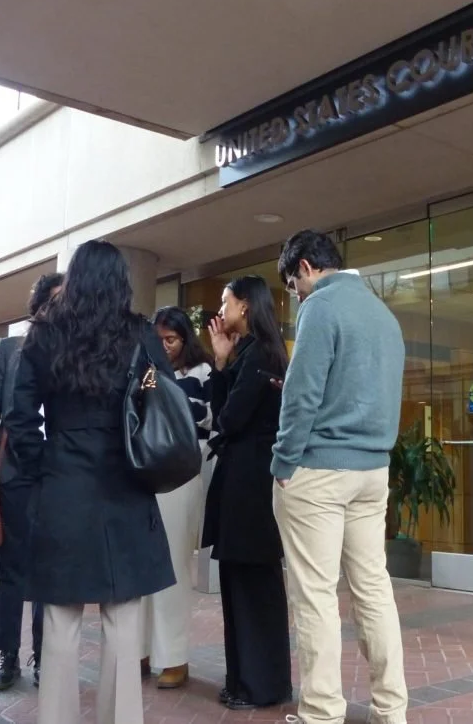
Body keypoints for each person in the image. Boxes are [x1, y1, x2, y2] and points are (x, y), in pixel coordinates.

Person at [5, 240, 175, 724]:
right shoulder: (138, 334)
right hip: (125, 478)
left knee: (60, 617)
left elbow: (19, 417)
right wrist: (139, 383)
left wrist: (41, 465)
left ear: (74, 278)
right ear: (120, 281)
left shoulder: (43, 335)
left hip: (63, 480)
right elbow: (160, 388)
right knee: (122, 616)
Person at [271, 230, 408, 724]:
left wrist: (283, 462)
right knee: (374, 590)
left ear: (306, 267)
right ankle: (391, 711)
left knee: (315, 596)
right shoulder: (383, 315)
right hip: (373, 470)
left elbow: (301, 394)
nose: (296, 295)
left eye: (293, 285)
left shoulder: (321, 308)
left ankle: (322, 714)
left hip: (320, 471)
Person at [203, 275, 293, 711]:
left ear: (245, 305)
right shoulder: (260, 352)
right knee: (248, 585)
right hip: (252, 482)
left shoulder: (259, 355)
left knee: (250, 586)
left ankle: (257, 685)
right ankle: (248, 682)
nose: (221, 311)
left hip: (249, 485)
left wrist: (221, 366)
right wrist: (224, 363)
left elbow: (229, 419)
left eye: (226, 302)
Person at [0, 270, 63, 691]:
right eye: (56, 299)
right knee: (11, 568)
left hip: (59, 474)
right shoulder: (12, 349)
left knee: (49, 569)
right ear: (40, 304)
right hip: (14, 470)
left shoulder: (75, 349)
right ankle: (6, 654)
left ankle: (46, 656)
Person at [140, 306, 214, 689]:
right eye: (159, 339)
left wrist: (167, 391)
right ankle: (140, 649)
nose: (165, 346)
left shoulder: (201, 372)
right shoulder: (147, 371)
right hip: (147, 474)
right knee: (143, 565)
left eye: (171, 339)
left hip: (182, 473)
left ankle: (174, 657)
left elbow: (206, 418)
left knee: (174, 567)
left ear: (185, 339)